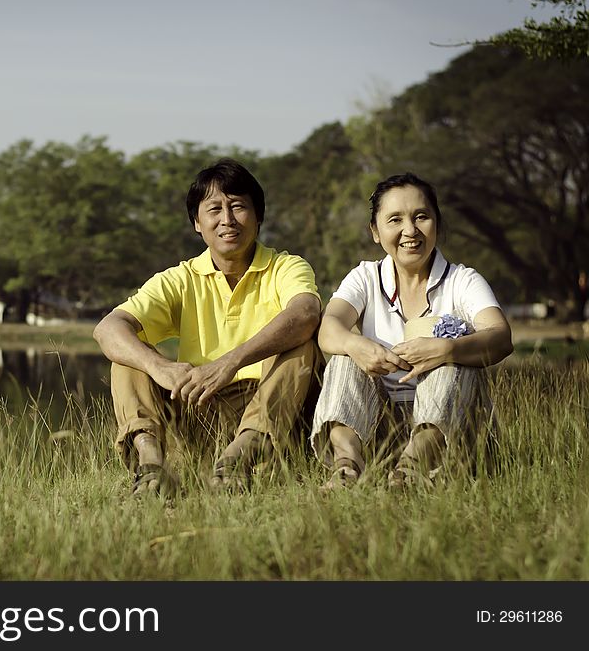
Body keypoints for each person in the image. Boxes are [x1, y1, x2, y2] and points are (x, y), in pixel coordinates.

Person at [93, 158, 324, 496]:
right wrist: (161, 368)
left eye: (238, 207)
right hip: (199, 406)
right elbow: (107, 328)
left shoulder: (285, 267)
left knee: (302, 342)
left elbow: (306, 312)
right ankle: (151, 467)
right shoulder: (180, 278)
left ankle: (239, 458)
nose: (227, 220)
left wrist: (229, 363)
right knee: (128, 354)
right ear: (197, 223)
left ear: (258, 217)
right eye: (214, 209)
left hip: (270, 412)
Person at [310, 172, 513, 489]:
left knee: (454, 358)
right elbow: (328, 328)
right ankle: (347, 470)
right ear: (376, 232)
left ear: (437, 223)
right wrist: (355, 344)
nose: (410, 231)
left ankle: (412, 471)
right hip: (380, 431)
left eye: (421, 217)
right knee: (344, 358)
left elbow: (500, 337)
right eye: (395, 220)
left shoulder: (464, 280)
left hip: (452, 438)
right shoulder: (365, 276)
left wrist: (447, 350)